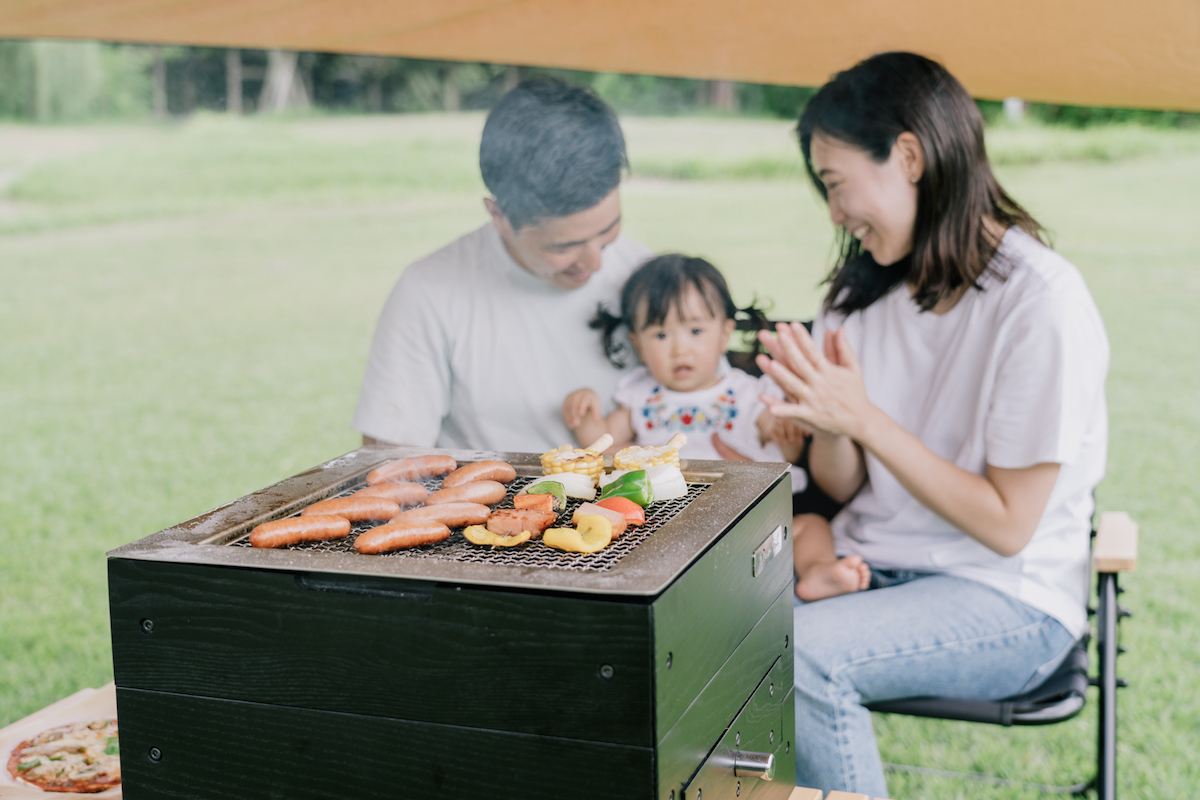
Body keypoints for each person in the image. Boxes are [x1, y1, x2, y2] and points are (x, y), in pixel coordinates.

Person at [753, 52, 1109, 795]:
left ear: (908, 157)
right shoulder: (859, 296)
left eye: (835, 184)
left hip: (1006, 594)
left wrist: (867, 418)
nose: (833, 214)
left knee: (804, 654)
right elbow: (839, 484)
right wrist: (830, 420)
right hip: (867, 565)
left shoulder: (1040, 304)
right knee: (703, 642)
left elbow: (1009, 525)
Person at [353, 79, 651, 451]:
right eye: (565, 246)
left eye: (608, 231)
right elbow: (389, 459)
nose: (595, 262)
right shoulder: (429, 291)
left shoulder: (649, 277)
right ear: (499, 216)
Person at [562, 254, 806, 477]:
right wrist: (583, 409)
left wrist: (787, 435)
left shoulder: (749, 394)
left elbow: (786, 455)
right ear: (638, 346)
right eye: (661, 335)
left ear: (725, 335)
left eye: (696, 330)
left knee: (812, 526)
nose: (680, 350)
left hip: (741, 507)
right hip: (668, 509)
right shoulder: (641, 395)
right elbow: (597, 444)